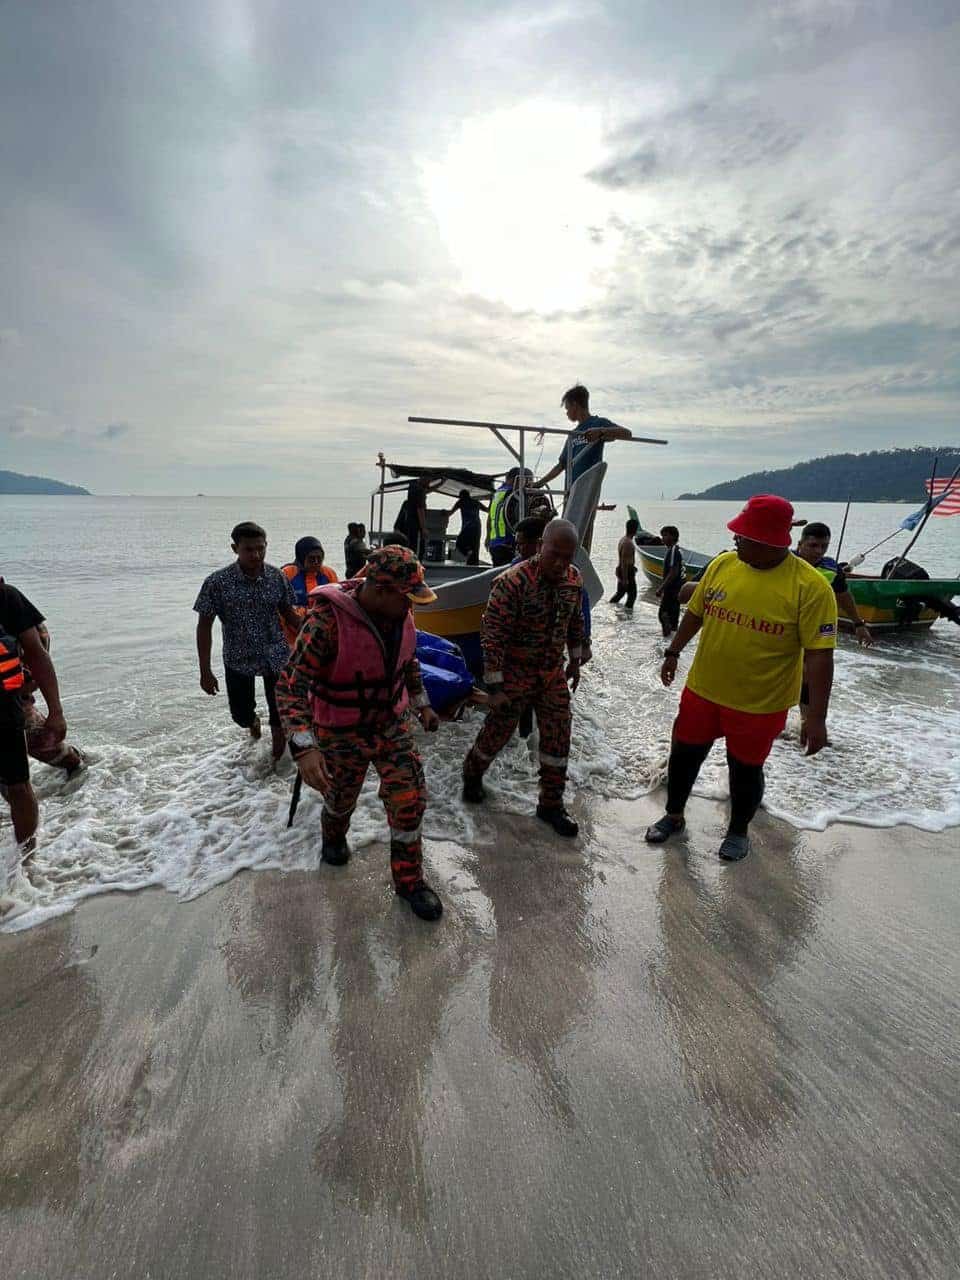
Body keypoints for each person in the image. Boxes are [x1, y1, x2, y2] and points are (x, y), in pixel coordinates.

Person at [645, 495, 837, 862]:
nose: (734, 538)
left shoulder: (811, 588)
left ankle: (738, 830)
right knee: (683, 755)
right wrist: (673, 652)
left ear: (768, 541)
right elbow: (697, 612)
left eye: (742, 534)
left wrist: (816, 718)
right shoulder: (722, 565)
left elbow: (819, 656)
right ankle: (674, 815)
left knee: (745, 770)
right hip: (703, 690)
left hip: (760, 703)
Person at [276, 546, 444, 922]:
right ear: (383, 590)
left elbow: (408, 660)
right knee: (340, 797)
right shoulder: (325, 624)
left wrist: (423, 703)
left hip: (390, 724)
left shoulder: (400, 612)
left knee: (410, 798)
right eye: (407, 597)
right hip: (340, 730)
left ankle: (409, 881)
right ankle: (333, 837)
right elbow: (289, 685)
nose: (411, 605)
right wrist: (304, 748)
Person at [462, 519, 584, 837]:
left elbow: (574, 621)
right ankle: (472, 776)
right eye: (553, 554)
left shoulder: (573, 580)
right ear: (541, 545)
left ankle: (551, 804)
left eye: (567, 557)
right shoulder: (512, 583)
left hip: (550, 673)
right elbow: (492, 636)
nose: (559, 564)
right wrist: (496, 687)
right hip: (515, 673)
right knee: (496, 734)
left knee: (559, 736)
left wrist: (577, 657)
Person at [194, 521, 301, 761]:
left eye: (260, 548)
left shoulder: (277, 576)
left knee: (280, 713)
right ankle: (253, 723)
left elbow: (289, 614)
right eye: (249, 549)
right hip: (238, 657)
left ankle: (274, 767)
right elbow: (204, 626)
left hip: (276, 654)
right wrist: (205, 671)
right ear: (235, 549)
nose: (256, 554)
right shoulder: (217, 583)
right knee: (240, 715)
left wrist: (314, 634)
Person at [0, 580, 69, 855]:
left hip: (6, 709)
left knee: (20, 782)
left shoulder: (6, 598)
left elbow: (38, 654)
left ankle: (26, 862)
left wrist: (56, 712)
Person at [535, 384, 633, 492]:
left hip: (587, 491)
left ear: (575, 405)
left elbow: (627, 434)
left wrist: (601, 432)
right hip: (571, 491)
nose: (567, 413)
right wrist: (538, 484)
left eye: (567, 409)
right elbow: (561, 465)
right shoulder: (572, 434)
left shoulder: (598, 423)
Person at [20, 624, 84, 777]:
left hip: (13, 698)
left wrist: (56, 712)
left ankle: (80, 768)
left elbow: (37, 650)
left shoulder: (12, 605)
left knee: (41, 743)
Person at [280, 538, 338, 647]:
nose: (316, 562)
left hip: (320, 635)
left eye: (319, 558)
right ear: (301, 557)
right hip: (291, 638)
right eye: (311, 559)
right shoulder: (287, 574)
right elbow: (280, 609)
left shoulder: (329, 574)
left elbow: (337, 603)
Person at [443, 489, 485, 565]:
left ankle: (468, 553)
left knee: (459, 543)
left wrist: (444, 512)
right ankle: (474, 564)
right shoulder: (476, 502)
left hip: (467, 527)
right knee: (475, 547)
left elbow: (450, 513)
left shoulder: (461, 502)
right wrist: (492, 500)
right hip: (477, 528)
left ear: (461, 496)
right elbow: (488, 509)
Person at [656, 526, 684, 637]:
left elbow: (673, 572)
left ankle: (666, 640)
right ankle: (670, 642)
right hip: (676, 590)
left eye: (665, 535)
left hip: (672, 590)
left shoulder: (673, 551)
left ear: (672, 536)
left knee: (663, 614)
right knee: (673, 618)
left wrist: (661, 588)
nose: (662, 538)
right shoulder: (675, 550)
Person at [610, 518, 639, 609]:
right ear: (635, 530)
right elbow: (624, 562)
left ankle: (612, 607)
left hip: (623, 570)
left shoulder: (623, 539)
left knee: (620, 593)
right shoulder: (628, 543)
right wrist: (625, 578)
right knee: (632, 595)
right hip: (626, 572)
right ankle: (628, 614)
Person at [394, 481, 428, 559]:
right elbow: (420, 510)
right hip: (412, 532)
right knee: (415, 551)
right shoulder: (418, 496)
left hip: (405, 532)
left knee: (410, 550)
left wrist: (440, 483)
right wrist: (423, 528)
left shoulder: (407, 503)